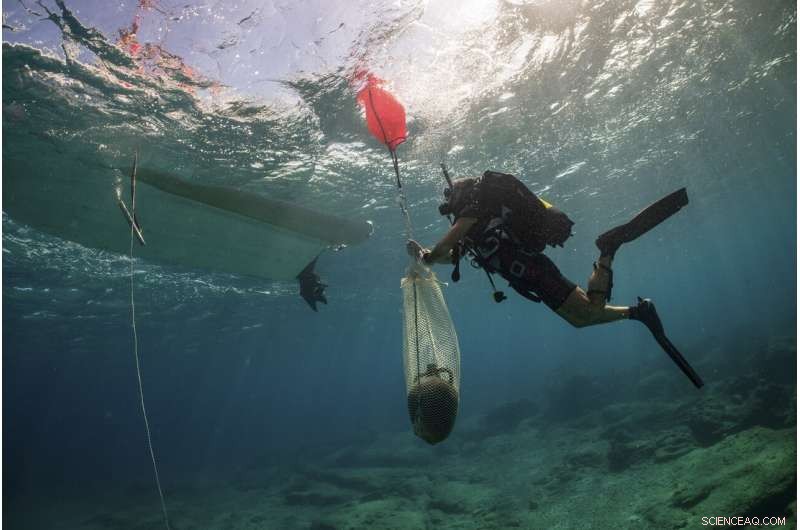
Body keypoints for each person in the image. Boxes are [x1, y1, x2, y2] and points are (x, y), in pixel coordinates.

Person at [407, 169, 703, 388]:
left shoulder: (472, 211)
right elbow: (451, 255)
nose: (449, 206)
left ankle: (608, 249)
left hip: (535, 271)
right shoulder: (476, 227)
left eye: (449, 199)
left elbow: (447, 245)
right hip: (531, 276)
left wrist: (430, 257)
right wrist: (426, 256)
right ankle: (638, 312)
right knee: (580, 319)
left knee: (591, 311)